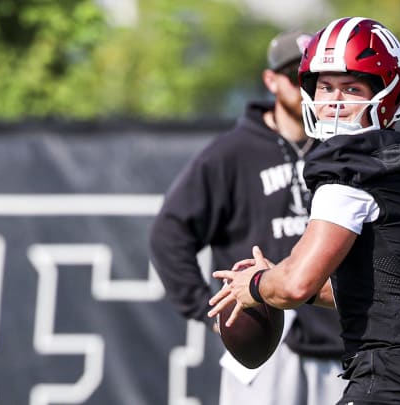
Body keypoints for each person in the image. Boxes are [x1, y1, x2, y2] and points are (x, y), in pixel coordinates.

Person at [208, 17, 400, 405]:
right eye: (325, 87)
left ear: (386, 94)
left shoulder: (351, 167)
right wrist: (277, 276)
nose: (333, 101)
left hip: (393, 376)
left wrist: (254, 287)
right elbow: (381, 284)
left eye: (351, 88)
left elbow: (295, 285)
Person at [148, 29, 346, 405]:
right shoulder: (231, 153)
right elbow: (168, 233)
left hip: (341, 341)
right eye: (295, 77)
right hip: (264, 346)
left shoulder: (344, 148)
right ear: (270, 80)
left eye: (315, 80)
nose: (305, 88)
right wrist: (210, 311)